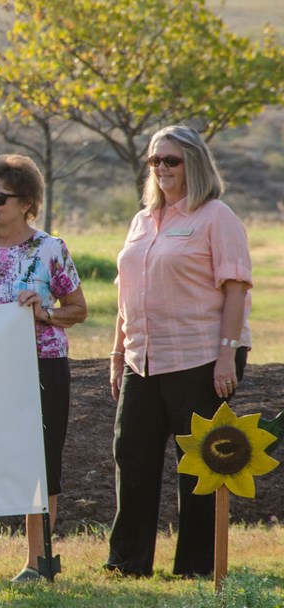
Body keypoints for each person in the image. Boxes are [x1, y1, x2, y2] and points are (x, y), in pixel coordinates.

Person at [105, 125, 251, 578]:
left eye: (171, 160)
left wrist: (227, 355)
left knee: (199, 466)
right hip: (141, 358)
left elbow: (235, 290)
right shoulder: (142, 219)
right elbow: (126, 291)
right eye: (155, 161)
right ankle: (128, 563)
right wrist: (116, 354)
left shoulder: (215, 216)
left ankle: (197, 565)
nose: (162, 169)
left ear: (194, 162)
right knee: (131, 455)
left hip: (201, 358)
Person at [0, 153, 87, 586]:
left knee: (41, 463)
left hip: (42, 367)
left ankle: (37, 562)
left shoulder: (51, 249)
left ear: (27, 203)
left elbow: (79, 309)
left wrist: (45, 313)